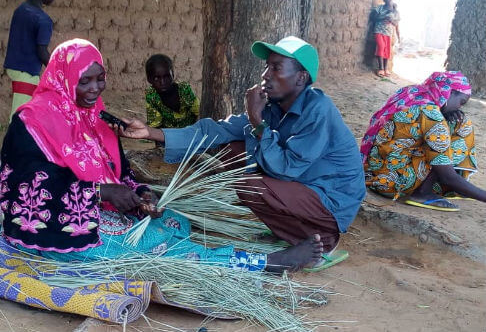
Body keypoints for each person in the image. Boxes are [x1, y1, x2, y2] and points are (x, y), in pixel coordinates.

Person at [0, 38, 317, 273]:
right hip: (52, 227)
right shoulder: (31, 123)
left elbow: (119, 173)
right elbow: (24, 190)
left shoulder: (94, 118)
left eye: (100, 78)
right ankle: (264, 263)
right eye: (85, 81)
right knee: (164, 248)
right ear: (65, 79)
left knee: (173, 223)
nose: (96, 89)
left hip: (93, 209)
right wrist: (101, 193)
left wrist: (141, 193)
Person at [115, 36, 364, 271]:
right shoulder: (274, 106)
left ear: (301, 77)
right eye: (266, 67)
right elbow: (216, 130)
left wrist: (256, 120)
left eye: (277, 68)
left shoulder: (318, 110)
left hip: (331, 200)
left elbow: (286, 168)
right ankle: (289, 230)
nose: (266, 75)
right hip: (301, 185)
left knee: (249, 185)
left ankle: (323, 243)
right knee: (229, 147)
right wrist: (150, 133)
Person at [361, 71, 486, 211]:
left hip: (376, 173)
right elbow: (447, 177)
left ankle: (433, 188)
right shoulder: (432, 116)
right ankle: (423, 193)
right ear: (448, 93)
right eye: (461, 102)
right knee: (453, 134)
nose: (460, 107)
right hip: (394, 184)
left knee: (459, 123)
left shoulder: (413, 93)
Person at [3, 0, 58, 119]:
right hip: (26, 73)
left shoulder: (20, 10)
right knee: (20, 115)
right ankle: (14, 140)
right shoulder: (43, 20)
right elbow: (42, 51)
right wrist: (57, 69)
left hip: (14, 67)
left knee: (27, 109)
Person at [145, 54, 200, 128]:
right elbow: (155, 125)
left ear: (173, 75)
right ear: (149, 79)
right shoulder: (152, 96)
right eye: (156, 78)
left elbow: (199, 112)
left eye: (167, 76)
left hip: (191, 131)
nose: (162, 82)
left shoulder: (184, 90)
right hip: (168, 135)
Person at [372, 0, 401, 77]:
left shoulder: (396, 12)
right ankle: (380, 68)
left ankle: (385, 68)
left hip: (388, 33)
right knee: (381, 47)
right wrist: (383, 17)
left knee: (387, 50)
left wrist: (398, 36)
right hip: (378, 31)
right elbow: (374, 18)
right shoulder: (380, 8)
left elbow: (396, 24)